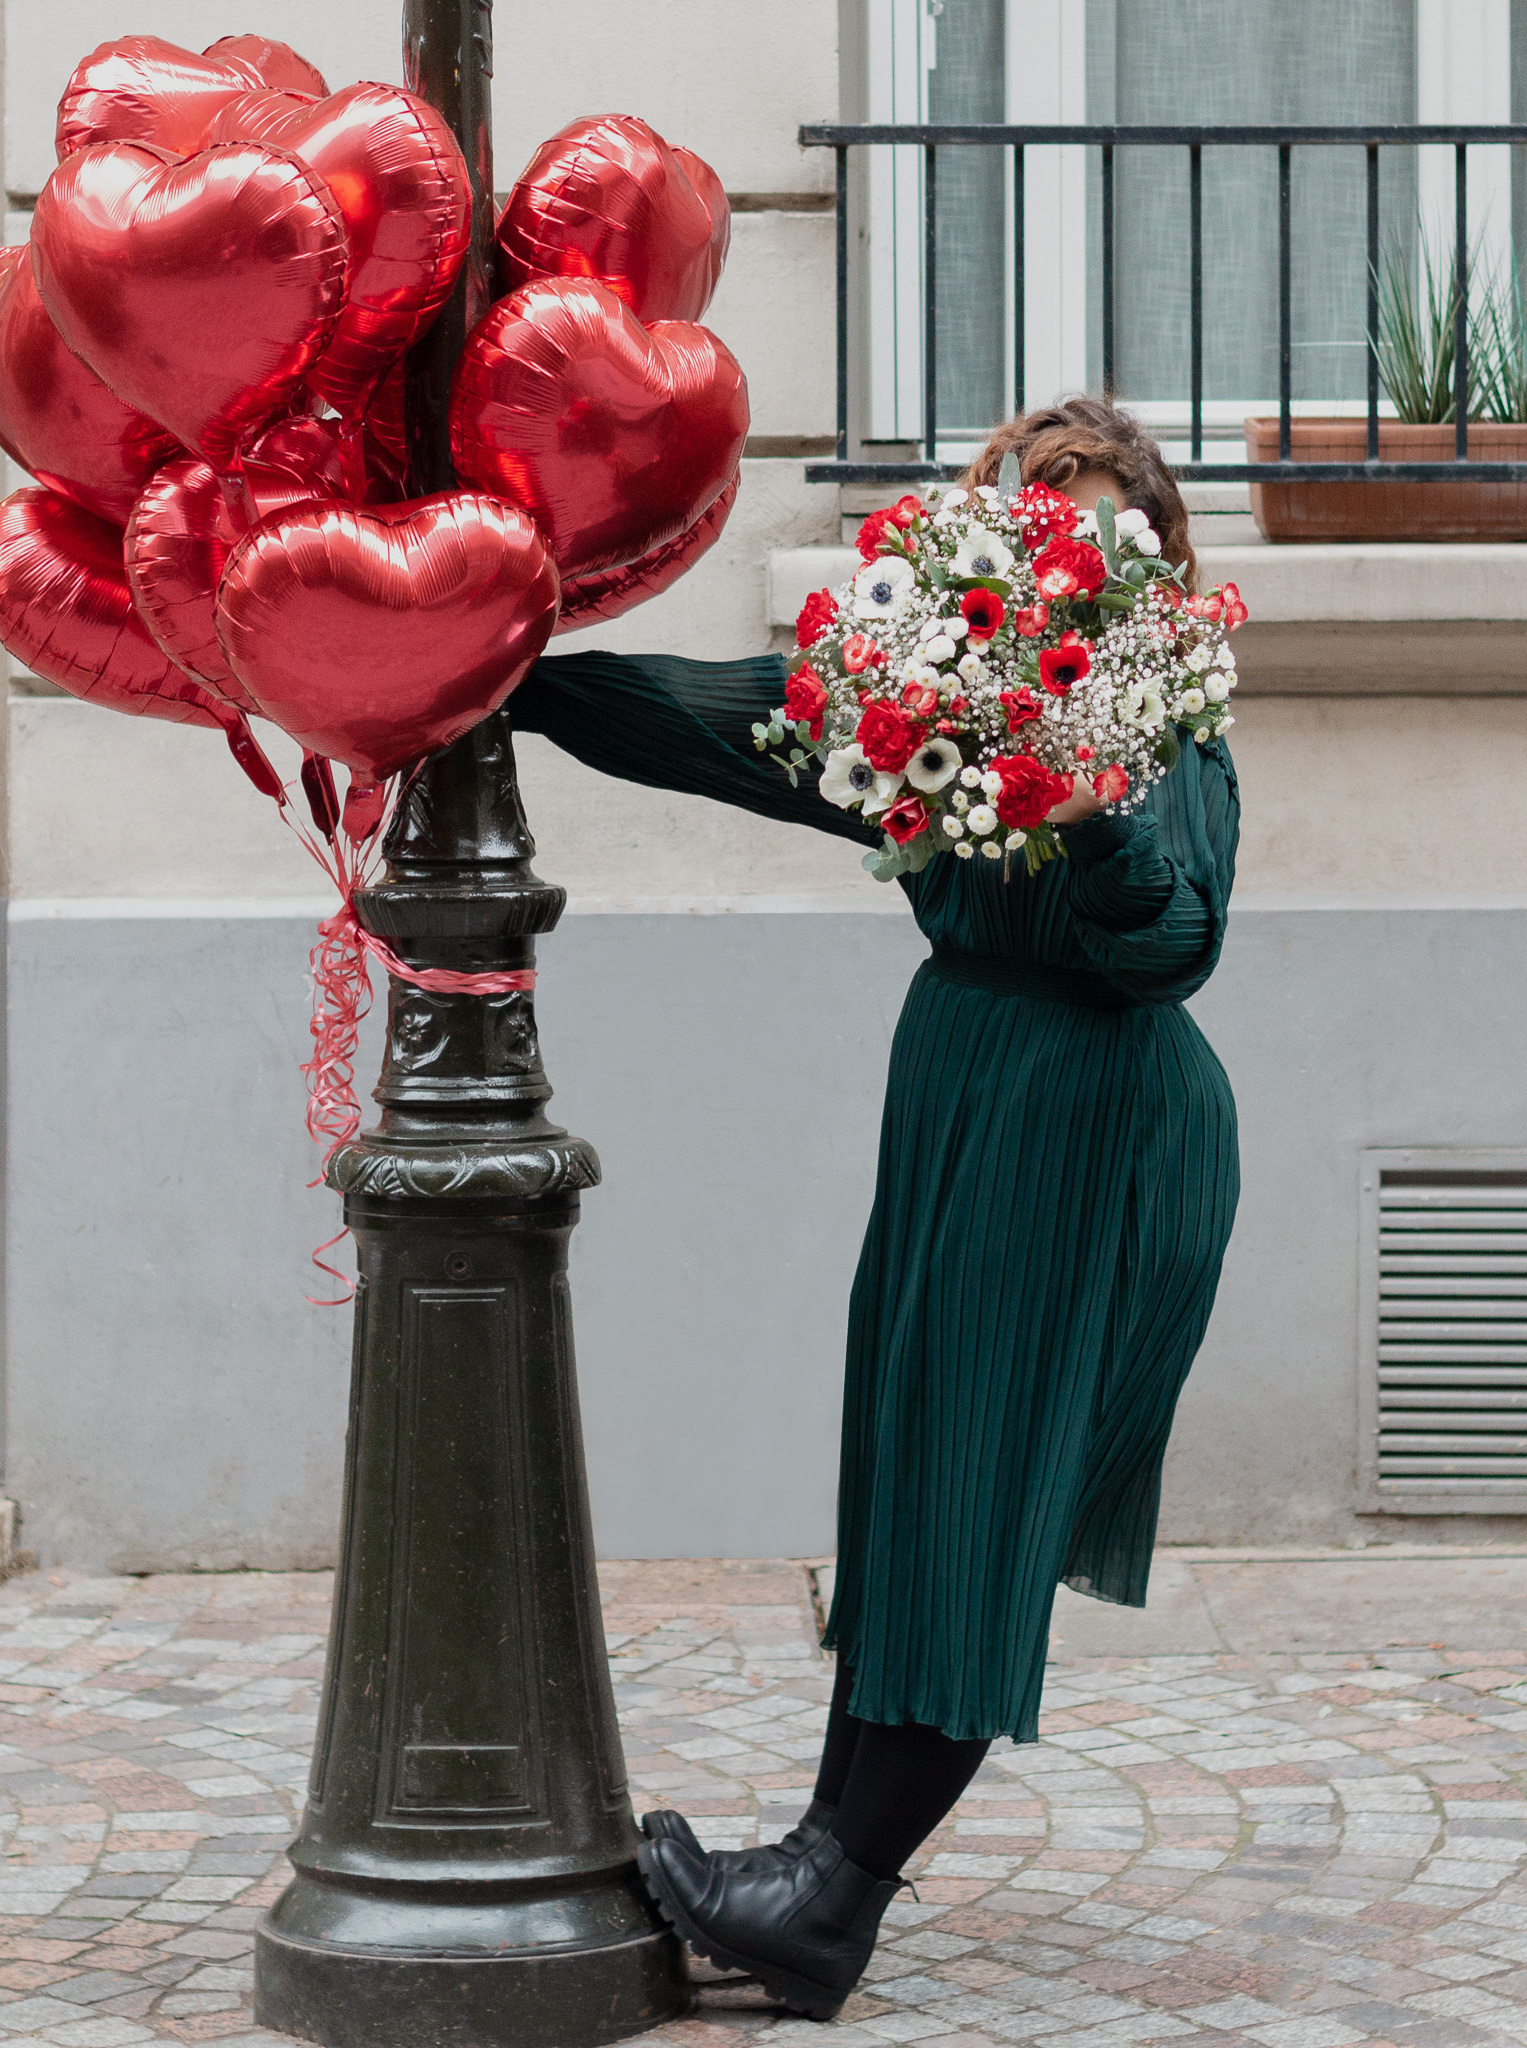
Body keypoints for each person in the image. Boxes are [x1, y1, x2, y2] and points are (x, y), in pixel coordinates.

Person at [508, 395, 1241, 2019]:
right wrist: (510, 691)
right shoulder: (936, 691)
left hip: (1095, 1121)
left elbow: (1172, 938)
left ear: (1150, 561)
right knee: (919, 1477)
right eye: (1041, 510)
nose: (1071, 544)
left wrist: (1086, 806)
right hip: (974, 1102)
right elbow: (735, 721)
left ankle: (835, 1891)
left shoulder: (1152, 715)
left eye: (1105, 522)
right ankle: (815, 1864)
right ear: (992, 536)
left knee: (976, 1487)